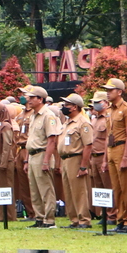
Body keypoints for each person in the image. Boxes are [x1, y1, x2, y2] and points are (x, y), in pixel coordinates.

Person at [102, 78, 127, 232]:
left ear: (119, 91)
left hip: (122, 148)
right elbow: (107, 135)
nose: (108, 93)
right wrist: (105, 159)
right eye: (107, 90)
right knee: (116, 188)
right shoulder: (110, 110)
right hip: (111, 149)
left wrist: (125, 157)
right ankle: (121, 219)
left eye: (111, 90)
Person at [22, 86, 61, 228]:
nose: (28, 100)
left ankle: (49, 219)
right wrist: (26, 159)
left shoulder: (48, 116)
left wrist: (46, 160)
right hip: (32, 155)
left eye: (32, 97)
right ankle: (39, 217)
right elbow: (30, 139)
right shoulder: (33, 115)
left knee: (45, 189)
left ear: (40, 99)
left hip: (42, 154)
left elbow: (52, 140)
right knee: (34, 190)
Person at [56, 93, 94, 228]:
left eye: (67, 105)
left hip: (76, 159)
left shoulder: (83, 122)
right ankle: (74, 219)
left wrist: (83, 166)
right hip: (65, 159)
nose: (64, 107)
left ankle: (84, 220)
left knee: (79, 191)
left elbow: (88, 145)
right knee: (68, 191)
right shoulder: (67, 122)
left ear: (75, 107)